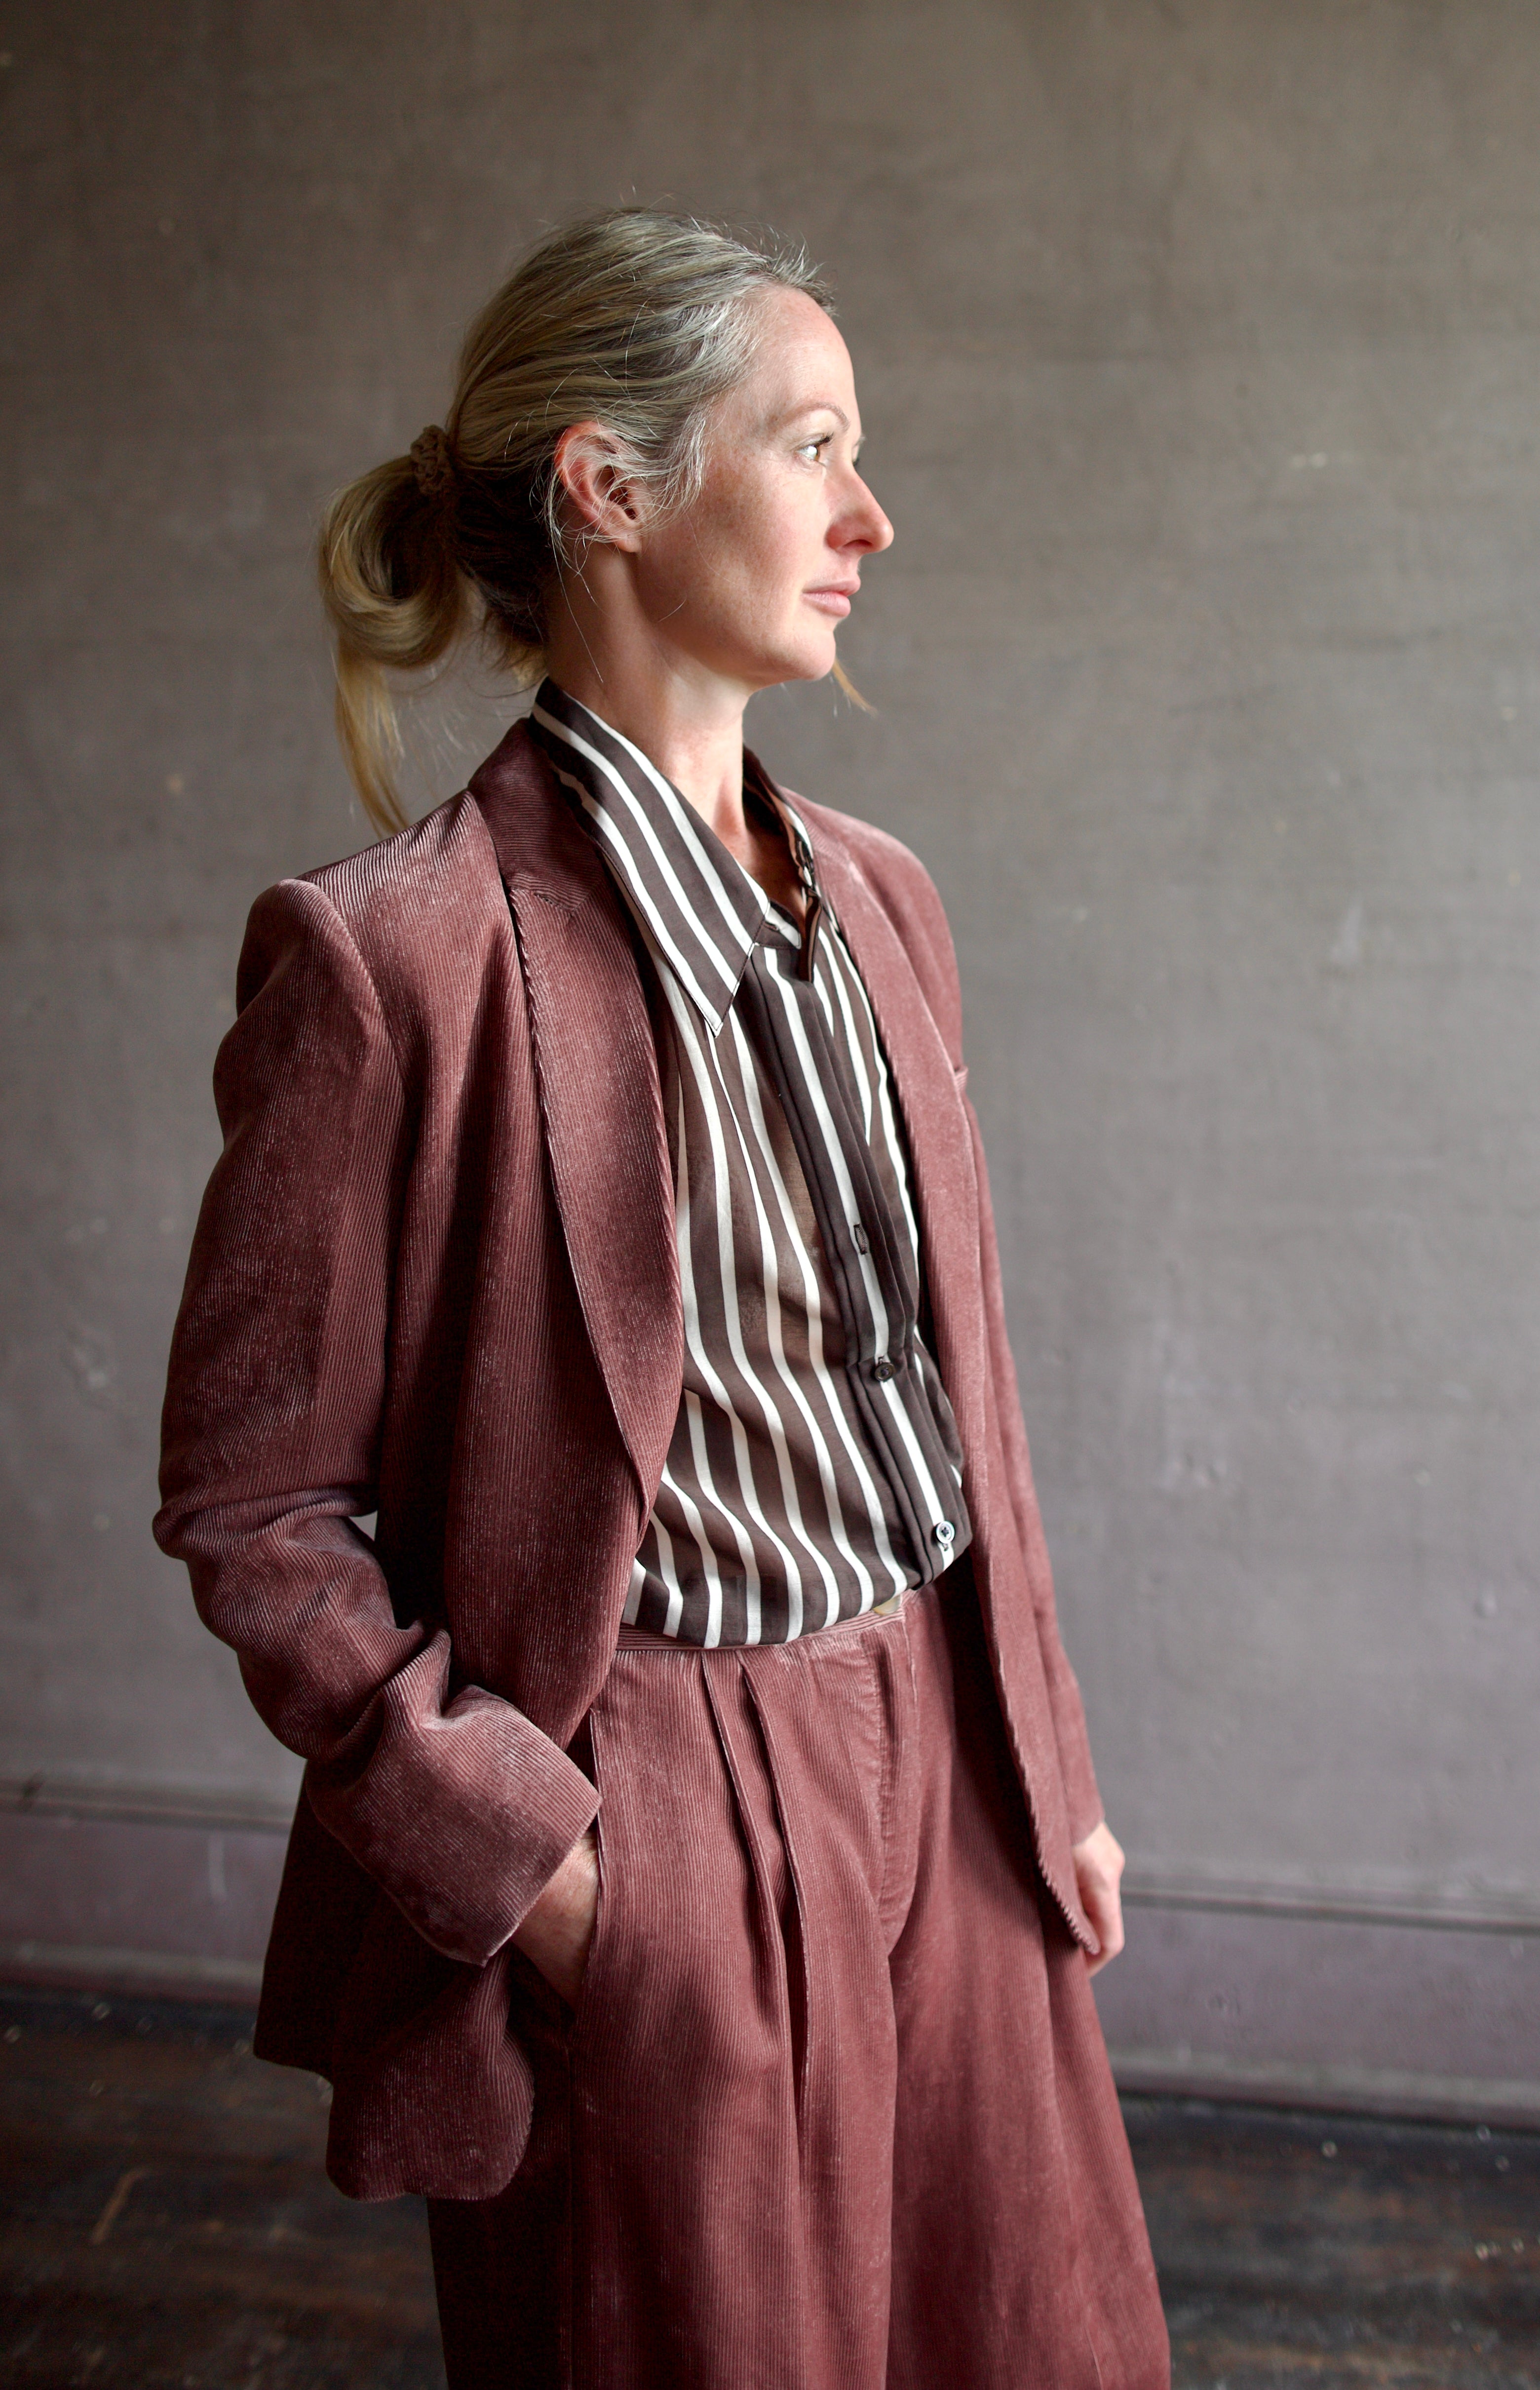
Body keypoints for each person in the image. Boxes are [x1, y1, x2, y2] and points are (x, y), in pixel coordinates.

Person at [155, 208, 1169, 2390]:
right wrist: (546, 1874)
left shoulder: (885, 898)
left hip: (958, 1771)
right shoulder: (392, 959)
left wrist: (1045, 1755)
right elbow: (257, 1511)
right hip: (667, 1798)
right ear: (612, 489)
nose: (871, 515)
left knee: (1031, 2350)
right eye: (811, 445)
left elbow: (940, 1386)